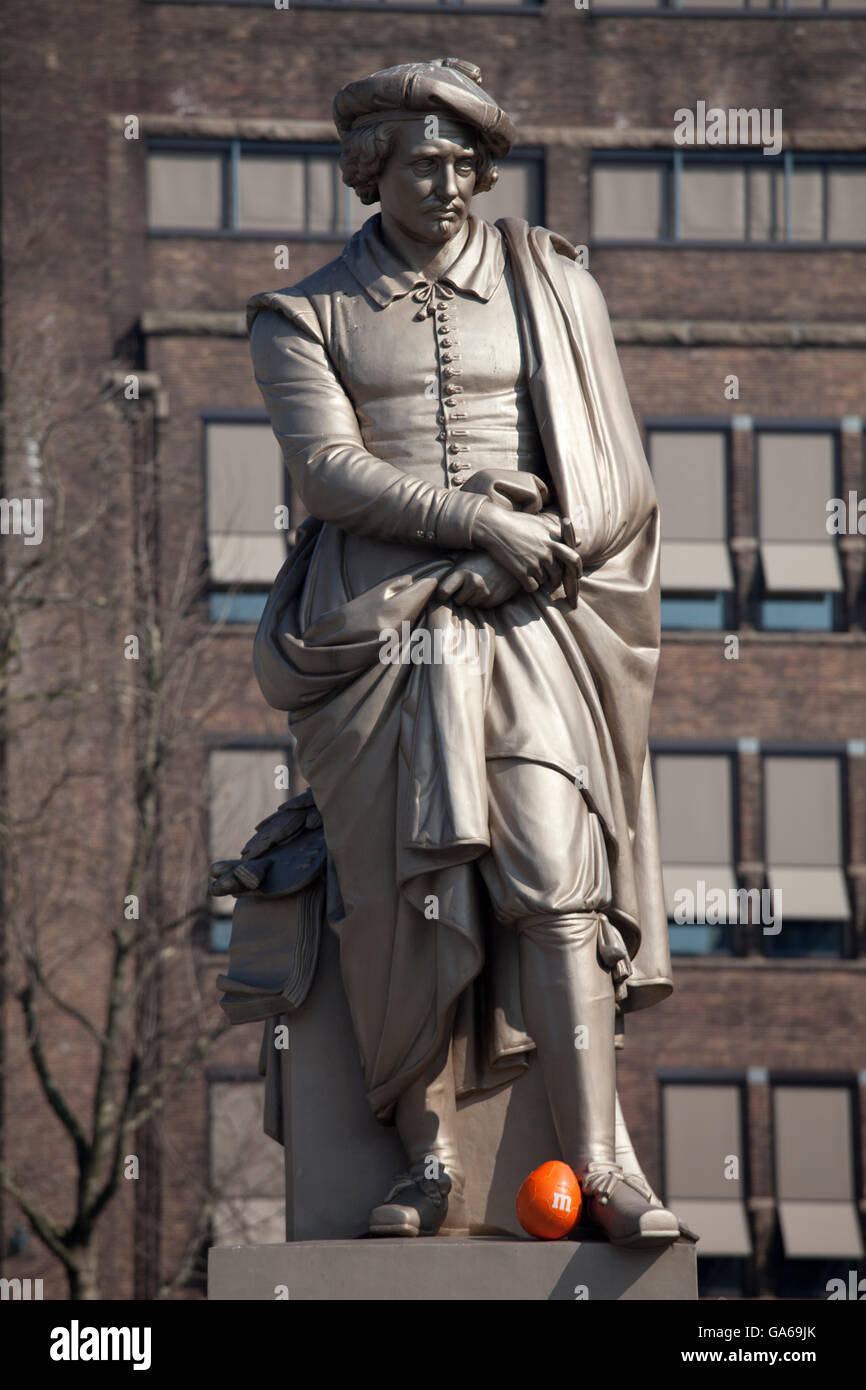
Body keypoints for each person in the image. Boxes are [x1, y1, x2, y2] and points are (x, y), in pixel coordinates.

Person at [247, 57, 689, 1249]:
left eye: (460, 164)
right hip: (380, 641)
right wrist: (472, 527)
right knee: (398, 899)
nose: (446, 185)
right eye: (417, 164)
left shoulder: (551, 282)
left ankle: (596, 1164)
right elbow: (328, 470)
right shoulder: (304, 313)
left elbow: (614, 471)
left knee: (554, 876)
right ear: (368, 172)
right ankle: (428, 1152)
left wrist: (512, 552)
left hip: (529, 619)